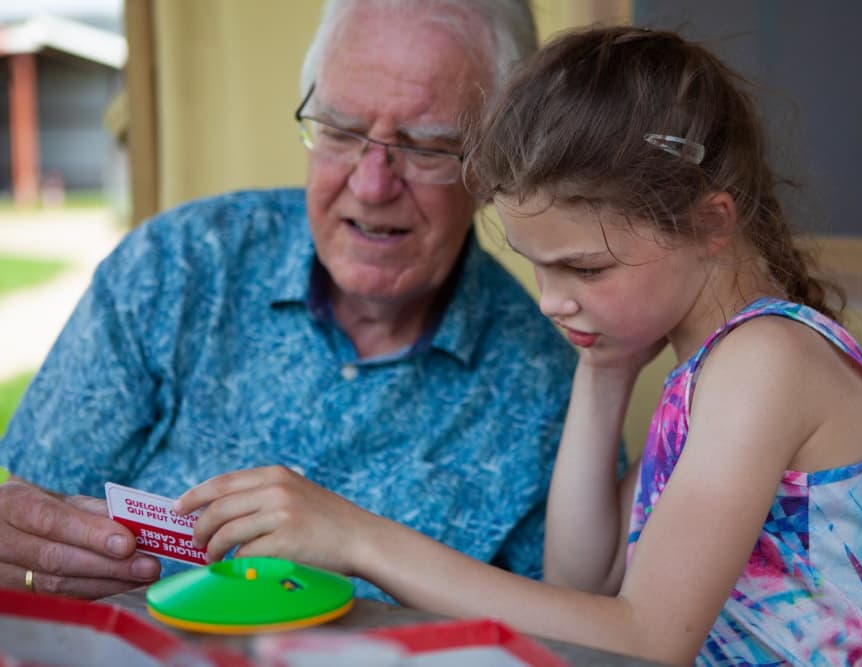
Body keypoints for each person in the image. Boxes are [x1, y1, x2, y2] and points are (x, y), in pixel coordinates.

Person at [176, 26, 862, 666]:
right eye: (536, 265)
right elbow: (581, 581)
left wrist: (358, 536)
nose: (551, 300)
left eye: (584, 266)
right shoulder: (710, 369)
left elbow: (646, 638)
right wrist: (604, 365)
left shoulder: (764, 363)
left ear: (712, 223)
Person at [0, 0, 578, 601]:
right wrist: (26, 563)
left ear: (495, 170)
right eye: (341, 130)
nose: (372, 183)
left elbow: (572, 638)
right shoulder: (176, 268)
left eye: (427, 146)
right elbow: (33, 522)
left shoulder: (544, 391)